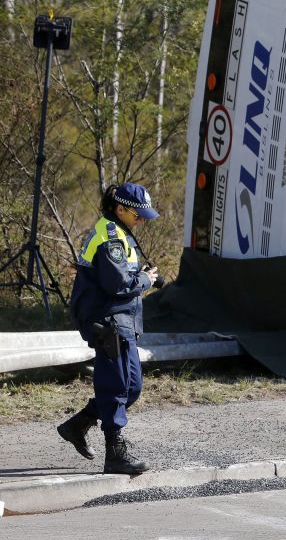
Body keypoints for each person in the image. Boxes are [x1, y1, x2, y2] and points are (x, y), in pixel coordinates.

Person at [58, 182, 160, 475]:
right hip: (108, 322)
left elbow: (121, 277)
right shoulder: (110, 236)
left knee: (132, 387)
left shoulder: (121, 233)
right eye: (138, 215)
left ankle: (77, 425)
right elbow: (116, 284)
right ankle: (115, 454)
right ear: (120, 209)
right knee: (116, 386)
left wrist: (142, 277)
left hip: (121, 320)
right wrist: (145, 281)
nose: (142, 220)